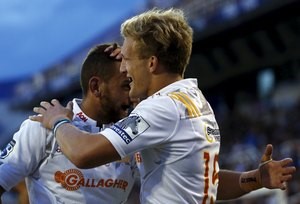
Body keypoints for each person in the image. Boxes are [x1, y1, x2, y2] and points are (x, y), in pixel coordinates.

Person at [30, 8, 296, 203]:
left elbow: (83, 154)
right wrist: (254, 179)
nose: (123, 69)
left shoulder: (161, 109)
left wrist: (58, 120)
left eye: (127, 59)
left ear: (152, 63)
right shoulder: (193, 100)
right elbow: (204, 181)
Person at [0, 43, 138, 203]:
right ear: (96, 87)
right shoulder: (42, 126)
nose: (134, 94)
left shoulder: (135, 131)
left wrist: (135, 57)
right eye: (126, 86)